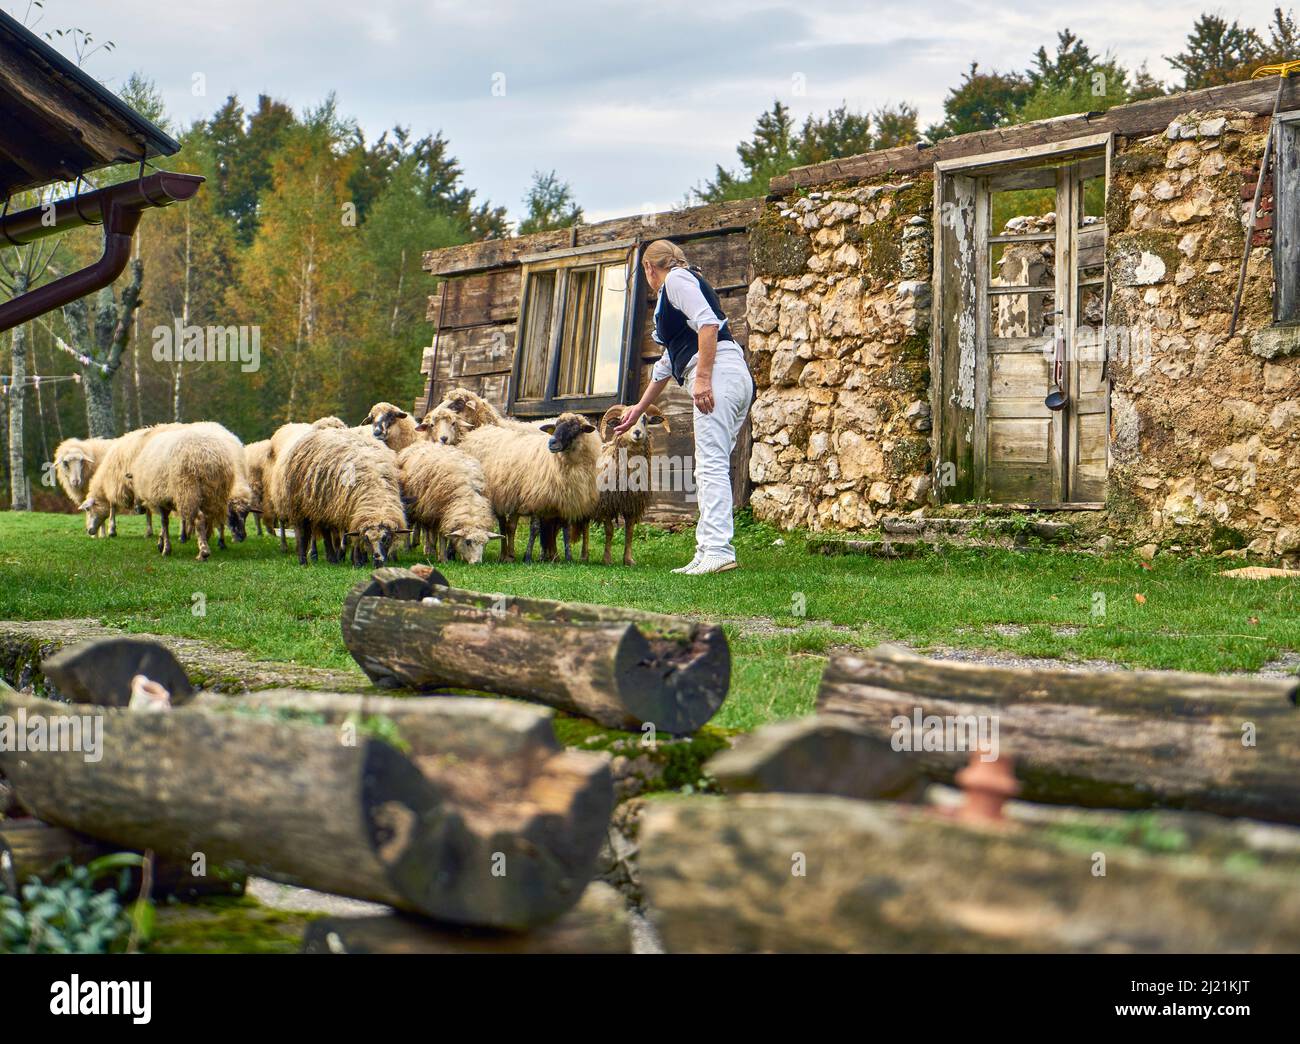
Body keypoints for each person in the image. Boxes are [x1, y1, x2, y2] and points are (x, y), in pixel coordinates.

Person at [614, 239, 754, 575]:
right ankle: (707, 549)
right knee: (710, 464)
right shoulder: (680, 286)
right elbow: (666, 362)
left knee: (710, 465)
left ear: (649, 268)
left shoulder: (675, 280)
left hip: (718, 374)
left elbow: (708, 324)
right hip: (729, 375)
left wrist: (703, 378)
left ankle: (718, 549)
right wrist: (639, 407)